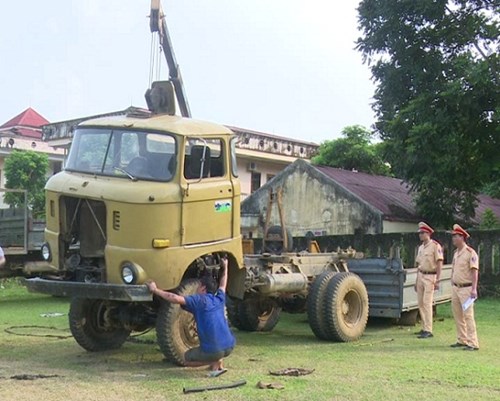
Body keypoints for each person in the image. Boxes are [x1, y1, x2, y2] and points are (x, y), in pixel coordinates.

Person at [146, 256, 235, 376]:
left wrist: (155, 290)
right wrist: (226, 267)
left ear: (203, 288)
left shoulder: (199, 300)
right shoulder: (219, 298)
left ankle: (215, 362)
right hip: (229, 346)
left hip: (215, 350)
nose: (197, 289)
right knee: (216, 348)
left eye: (198, 287)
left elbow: (175, 298)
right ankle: (218, 362)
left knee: (185, 358)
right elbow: (223, 283)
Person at [449, 224, 480, 351]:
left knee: (468, 315)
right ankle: (462, 339)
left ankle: (473, 342)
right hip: (456, 288)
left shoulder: (470, 253)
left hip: (466, 289)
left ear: (462, 237)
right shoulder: (456, 253)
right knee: (457, 315)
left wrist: (474, 288)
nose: (453, 239)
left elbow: (474, 271)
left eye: (455, 236)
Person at [414, 222, 443, 339]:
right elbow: (419, 264)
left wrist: (438, 279)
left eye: (423, 233)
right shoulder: (421, 247)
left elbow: (439, 263)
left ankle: (429, 329)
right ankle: (424, 327)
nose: (420, 235)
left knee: (427, 303)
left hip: (430, 276)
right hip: (421, 275)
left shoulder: (435, 246)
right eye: (420, 233)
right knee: (420, 303)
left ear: (428, 233)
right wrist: (416, 280)